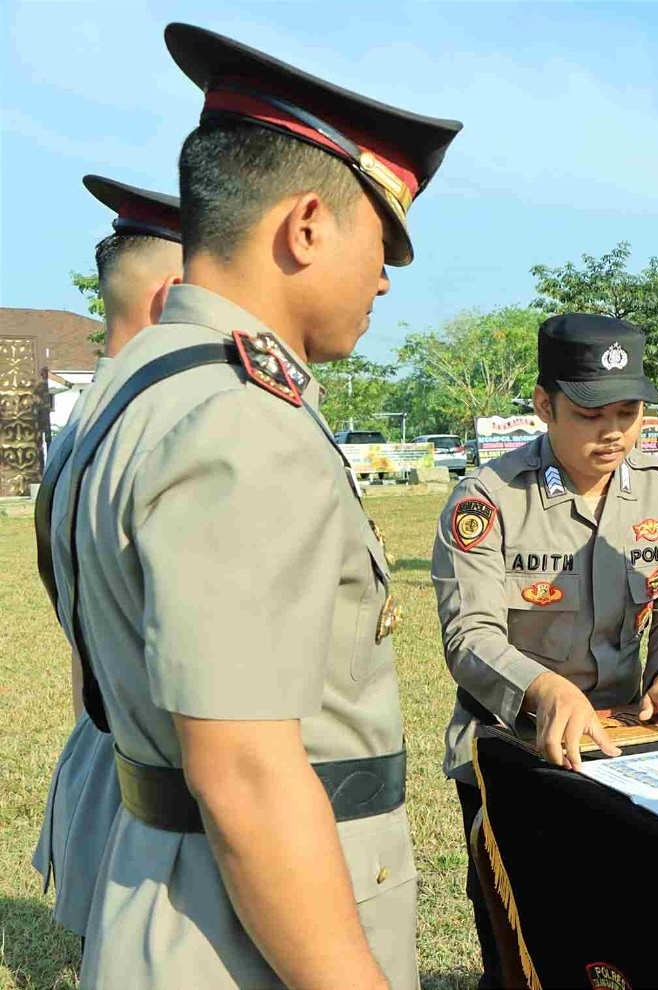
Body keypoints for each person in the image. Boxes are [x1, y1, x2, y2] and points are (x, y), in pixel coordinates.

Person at [38, 23, 461, 989]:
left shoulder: (134, 388)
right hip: (247, 936)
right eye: (382, 237)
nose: (387, 276)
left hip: (166, 884)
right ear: (307, 225)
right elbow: (249, 782)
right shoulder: (242, 424)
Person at [433, 313, 658, 985]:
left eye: (630, 411)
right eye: (592, 413)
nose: (614, 431)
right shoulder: (488, 501)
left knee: (629, 933)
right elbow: (469, 637)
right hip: (514, 754)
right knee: (524, 946)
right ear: (544, 406)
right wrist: (544, 691)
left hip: (625, 752)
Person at [32, 175, 183, 947]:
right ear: (176, 295)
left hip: (107, 747)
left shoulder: (92, 418)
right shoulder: (162, 426)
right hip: (161, 787)